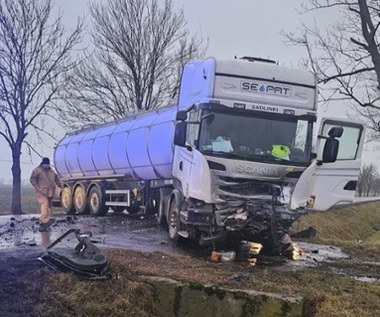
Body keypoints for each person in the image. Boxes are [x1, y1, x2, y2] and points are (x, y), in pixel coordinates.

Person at [30, 157, 62, 232]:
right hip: (41, 192)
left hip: (50, 192)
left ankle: (47, 222)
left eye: (47, 164)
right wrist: (38, 188)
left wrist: (60, 185)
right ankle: (43, 221)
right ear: (42, 164)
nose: (46, 166)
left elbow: (56, 179)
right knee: (45, 204)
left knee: (49, 207)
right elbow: (32, 180)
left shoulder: (51, 171)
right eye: (45, 164)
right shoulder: (37, 170)